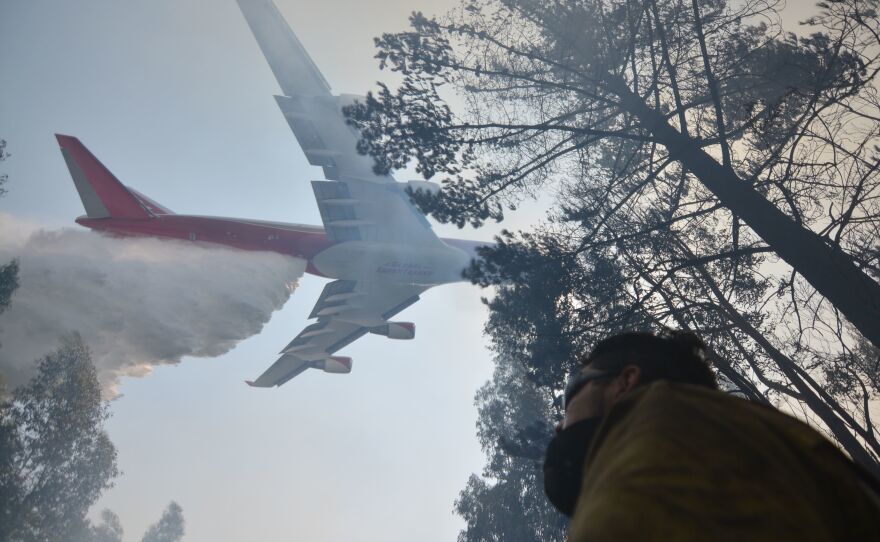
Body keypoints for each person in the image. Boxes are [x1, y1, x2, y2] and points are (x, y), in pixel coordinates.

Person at [543, 330, 880, 541]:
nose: (560, 426)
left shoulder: (661, 447)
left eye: (568, 396)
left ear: (625, 381)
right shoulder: (750, 441)